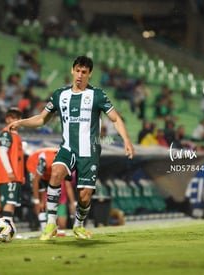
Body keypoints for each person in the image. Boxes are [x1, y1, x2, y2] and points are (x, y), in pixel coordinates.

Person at [9, 55, 134, 240]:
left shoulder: (97, 95)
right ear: (72, 70)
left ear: (90, 74)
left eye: (84, 72)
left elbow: (115, 118)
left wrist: (126, 140)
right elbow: (42, 118)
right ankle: (51, 224)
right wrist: (21, 122)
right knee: (56, 172)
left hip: (89, 152)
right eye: (77, 71)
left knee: (84, 196)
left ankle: (79, 225)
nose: (80, 75)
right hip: (67, 148)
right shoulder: (61, 95)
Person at [26, 147, 76, 233]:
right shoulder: (44, 161)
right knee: (41, 202)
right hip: (34, 166)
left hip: (51, 171)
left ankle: (48, 228)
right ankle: (44, 229)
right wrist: (36, 201)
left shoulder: (66, 163)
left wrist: (73, 202)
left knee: (62, 224)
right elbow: (36, 181)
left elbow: (67, 184)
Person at [0, 107, 25, 222]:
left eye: (18, 118)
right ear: (7, 119)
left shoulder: (15, 135)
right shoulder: (6, 134)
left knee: (12, 203)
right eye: (13, 117)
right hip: (9, 175)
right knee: (9, 202)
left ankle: (8, 228)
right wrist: (9, 171)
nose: (16, 120)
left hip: (15, 175)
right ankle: (5, 229)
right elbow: (3, 153)